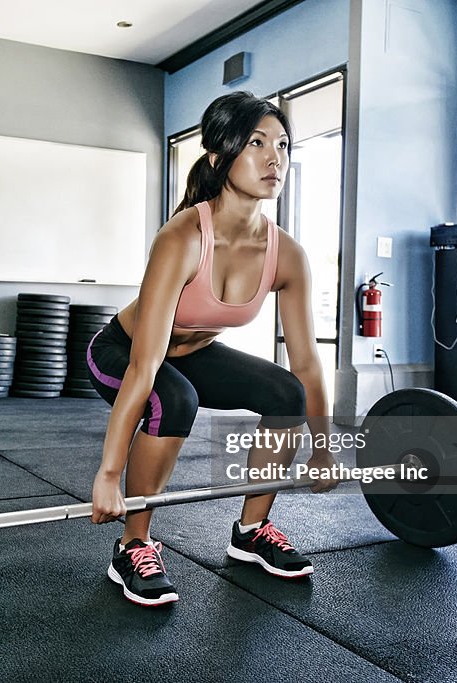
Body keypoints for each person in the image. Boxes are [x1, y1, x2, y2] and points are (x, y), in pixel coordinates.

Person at [85, 91, 339, 607]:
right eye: (257, 143)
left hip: (192, 355)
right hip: (124, 351)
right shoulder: (182, 237)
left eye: (284, 146)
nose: (275, 159)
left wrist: (325, 447)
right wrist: (109, 474)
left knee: (285, 392)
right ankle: (133, 542)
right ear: (221, 158)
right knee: (174, 398)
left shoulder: (287, 254)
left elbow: (307, 361)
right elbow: (144, 363)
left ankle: (251, 531)